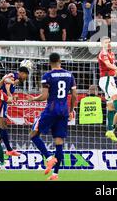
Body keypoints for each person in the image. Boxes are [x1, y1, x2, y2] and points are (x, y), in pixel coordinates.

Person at [29, 52, 77, 180]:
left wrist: (33, 99)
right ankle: (55, 174)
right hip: (63, 110)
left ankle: (49, 158)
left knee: (33, 135)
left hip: (51, 109)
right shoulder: (69, 75)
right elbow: (74, 96)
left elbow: (44, 96)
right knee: (59, 142)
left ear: (49, 62)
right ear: (60, 60)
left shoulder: (47, 76)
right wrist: (71, 110)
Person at [0, 65, 30, 157]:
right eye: (26, 76)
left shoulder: (15, 80)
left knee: (2, 126)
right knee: (1, 126)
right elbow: (6, 81)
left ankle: (5, 150)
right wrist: (10, 94)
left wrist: (12, 96)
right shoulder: (13, 75)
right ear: (22, 73)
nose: (26, 79)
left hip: (2, 102)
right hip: (0, 103)